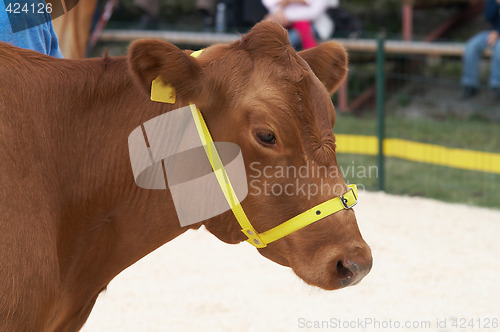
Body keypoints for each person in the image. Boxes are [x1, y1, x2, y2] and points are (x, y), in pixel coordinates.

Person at [461, 0, 500, 100]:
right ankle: (470, 85)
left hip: (496, 33)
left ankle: (497, 86)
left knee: (499, 49)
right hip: (492, 32)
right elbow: (488, 17)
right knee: (471, 46)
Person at [262, 0, 328, 50]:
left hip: (314, 25)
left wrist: (285, 16)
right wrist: (278, 13)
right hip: (283, 22)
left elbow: (313, 13)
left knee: (283, 43)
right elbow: (273, 5)